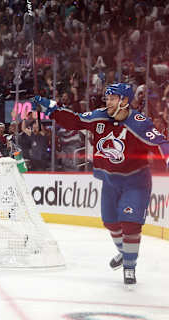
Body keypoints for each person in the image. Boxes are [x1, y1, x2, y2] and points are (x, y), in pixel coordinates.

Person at [34, 83, 169, 289]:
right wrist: (49, 107)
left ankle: (129, 266)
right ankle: (125, 254)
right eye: (108, 98)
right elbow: (75, 121)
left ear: (125, 101)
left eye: (113, 98)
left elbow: (160, 142)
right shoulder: (100, 116)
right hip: (109, 181)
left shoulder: (139, 123)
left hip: (135, 181)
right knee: (110, 223)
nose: (108, 102)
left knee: (130, 223)